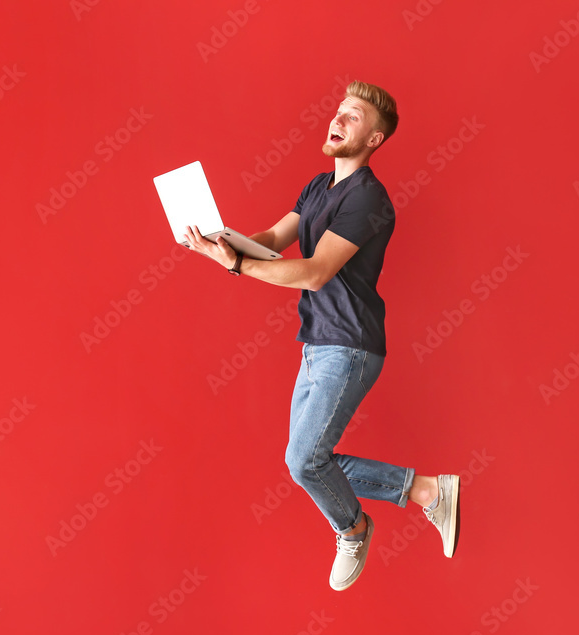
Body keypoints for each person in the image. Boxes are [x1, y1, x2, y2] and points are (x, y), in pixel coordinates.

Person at [183, 80, 460, 591]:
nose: (338, 120)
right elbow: (271, 240)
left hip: (350, 345)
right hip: (317, 343)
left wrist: (239, 266)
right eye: (338, 111)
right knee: (308, 462)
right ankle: (427, 492)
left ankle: (353, 528)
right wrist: (219, 240)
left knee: (303, 460)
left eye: (353, 117)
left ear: (374, 139)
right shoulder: (317, 187)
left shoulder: (370, 199)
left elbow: (314, 272)